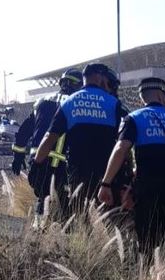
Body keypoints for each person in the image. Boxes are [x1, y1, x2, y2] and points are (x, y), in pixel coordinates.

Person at [98, 77, 165, 257]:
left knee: (147, 243)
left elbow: (121, 149)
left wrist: (106, 183)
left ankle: (148, 274)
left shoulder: (134, 118)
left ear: (142, 98)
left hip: (148, 192)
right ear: (161, 95)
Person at [34, 63, 127, 213]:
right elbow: (122, 141)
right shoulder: (114, 103)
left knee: (79, 213)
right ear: (100, 78)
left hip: (77, 171)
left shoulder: (69, 102)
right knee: (109, 216)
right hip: (106, 172)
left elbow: (49, 137)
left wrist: (36, 164)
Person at [10, 68, 83, 215]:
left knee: (43, 199)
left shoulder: (42, 102)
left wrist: (18, 156)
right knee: (66, 207)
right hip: (61, 165)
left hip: (37, 161)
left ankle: (39, 227)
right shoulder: (76, 104)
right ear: (77, 85)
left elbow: (24, 131)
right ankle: (64, 228)